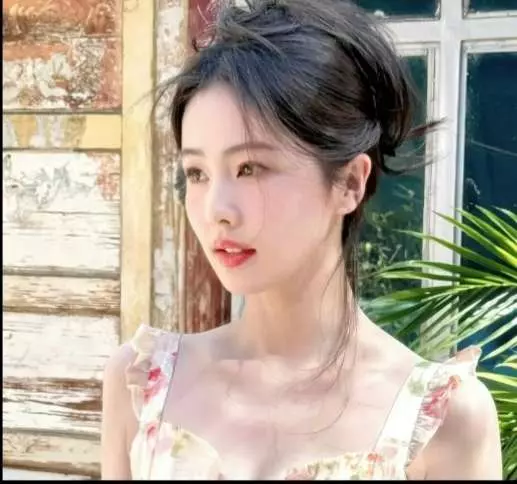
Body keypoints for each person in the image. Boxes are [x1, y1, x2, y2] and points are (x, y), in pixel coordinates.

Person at [100, 0, 502, 479]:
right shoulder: (143, 386)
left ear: (350, 182)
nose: (216, 210)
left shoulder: (443, 419)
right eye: (197, 173)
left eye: (250, 168)